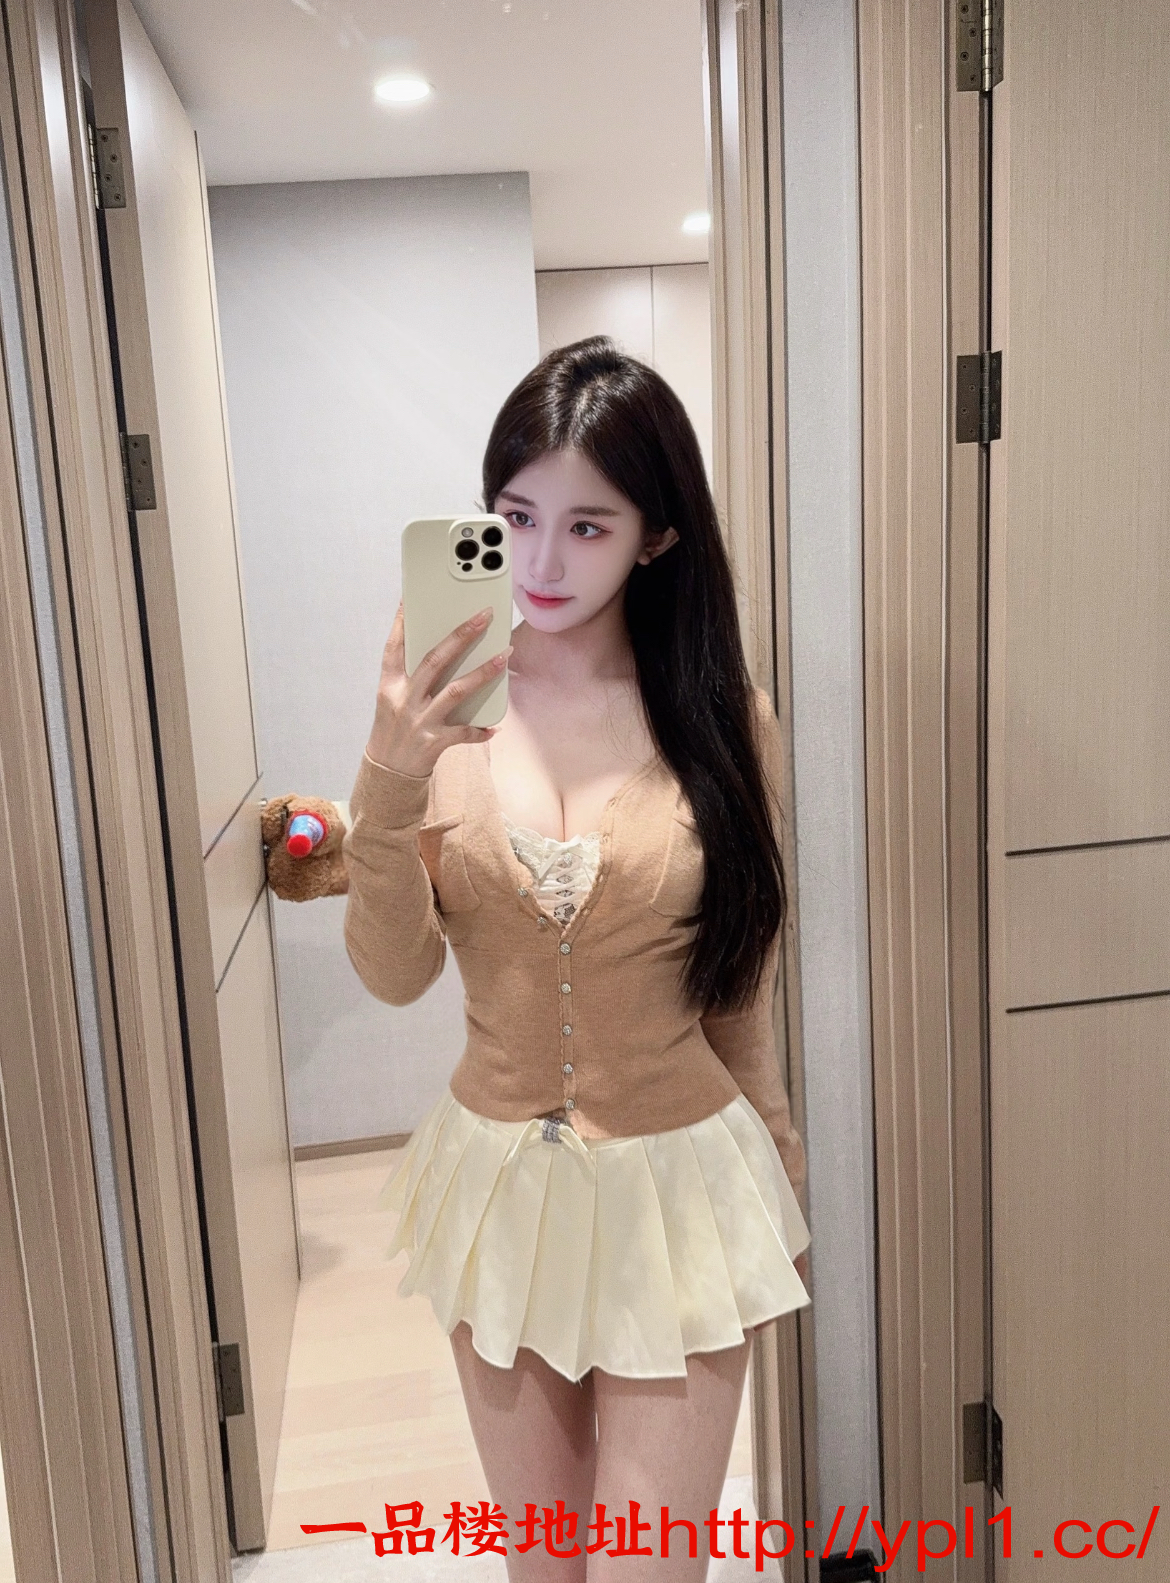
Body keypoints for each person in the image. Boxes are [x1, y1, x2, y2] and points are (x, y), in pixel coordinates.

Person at [343, 337, 811, 1581]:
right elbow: (392, 970)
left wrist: (779, 1163)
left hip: (683, 1193)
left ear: (657, 536)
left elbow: (739, 980)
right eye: (516, 517)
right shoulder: (435, 720)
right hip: (497, 1190)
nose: (542, 563)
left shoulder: (725, 720)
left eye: (588, 525)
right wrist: (389, 774)